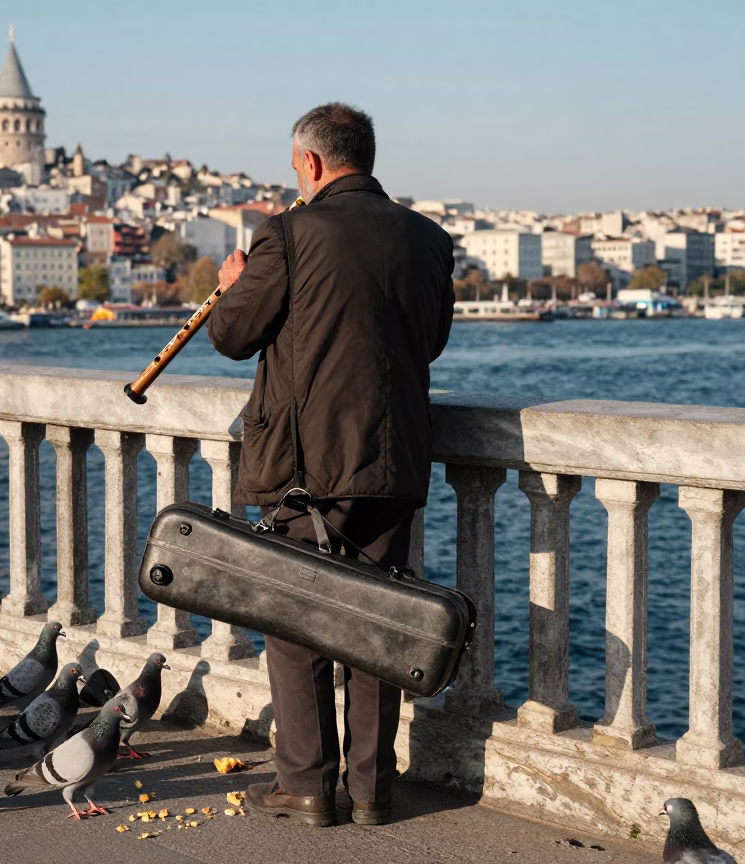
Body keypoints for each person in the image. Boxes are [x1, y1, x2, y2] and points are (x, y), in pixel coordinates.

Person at [207, 102, 455, 827]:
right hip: (395, 460)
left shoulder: (285, 234)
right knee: (375, 624)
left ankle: (309, 785)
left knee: (294, 626)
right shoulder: (428, 239)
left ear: (311, 164)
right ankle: (374, 791)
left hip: (306, 466)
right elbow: (429, 342)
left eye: (296, 169)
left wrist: (231, 284)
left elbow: (232, 334)